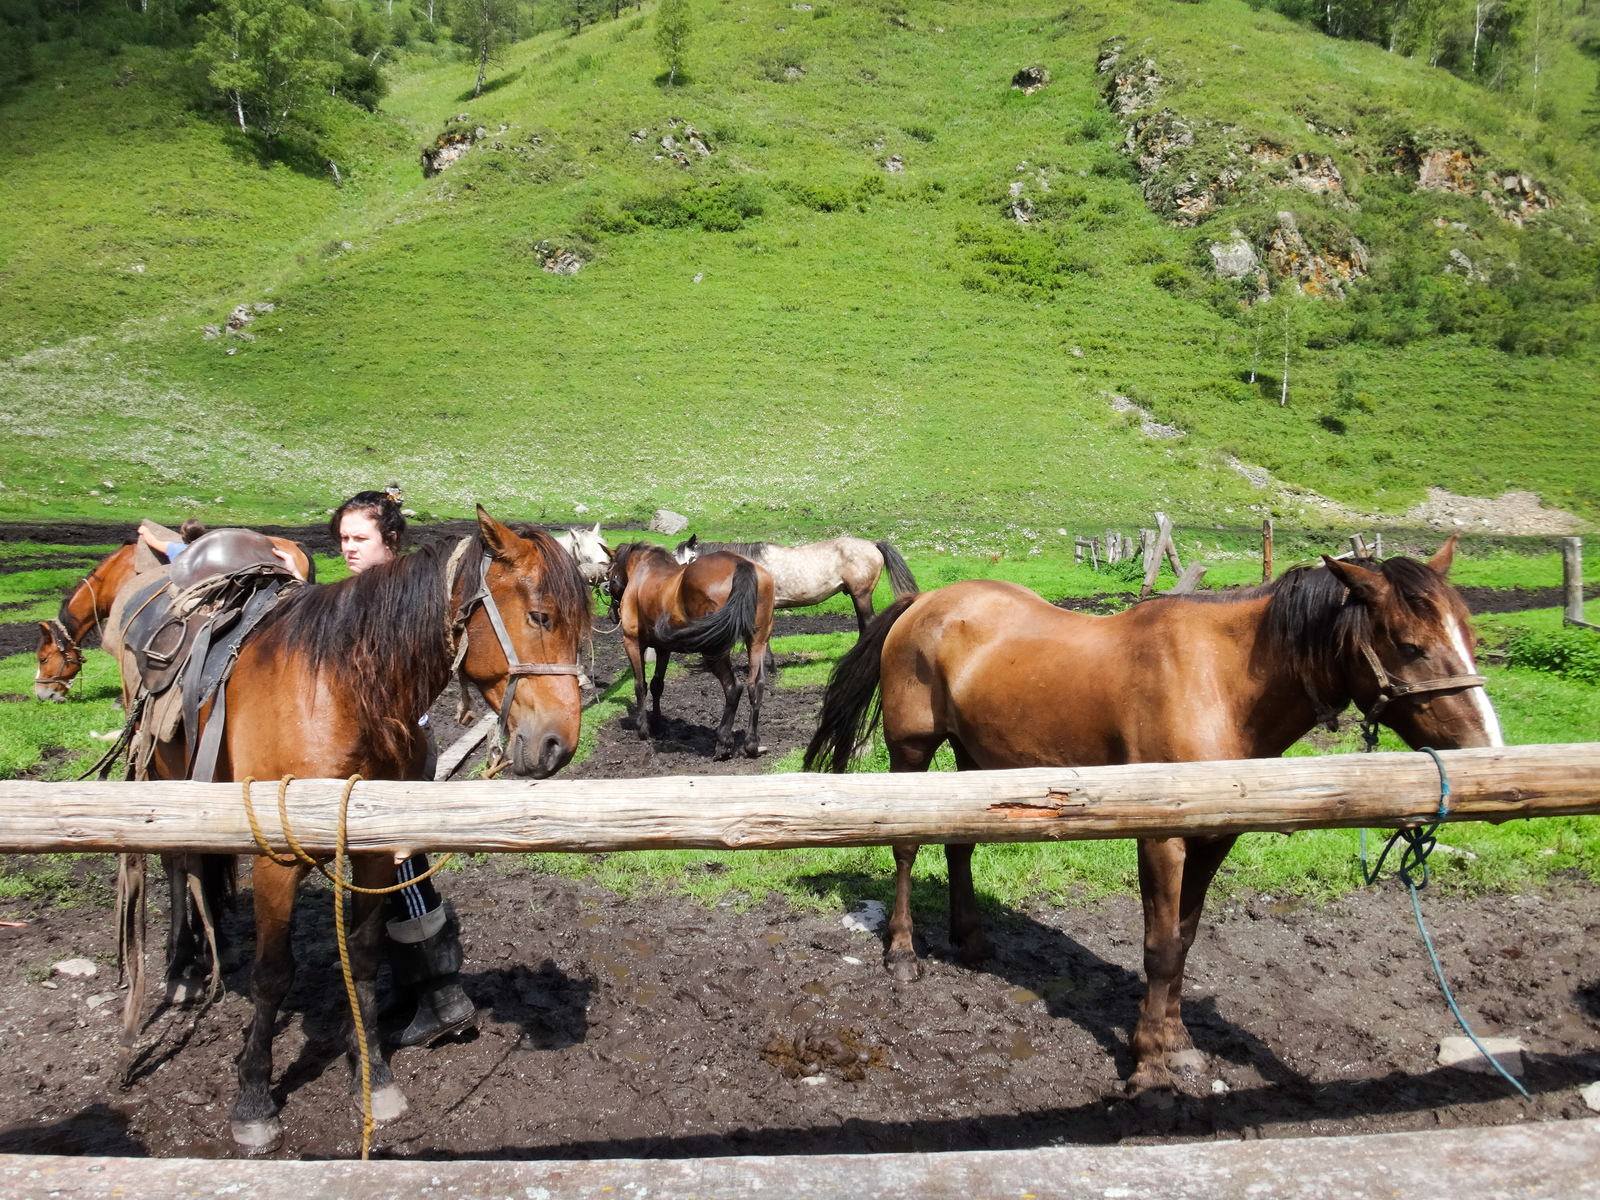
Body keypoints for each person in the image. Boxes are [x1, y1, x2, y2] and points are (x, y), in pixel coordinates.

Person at [329, 488, 478, 1047]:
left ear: (389, 539)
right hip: (371, 748)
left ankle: (445, 998)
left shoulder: (405, 597)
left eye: (359, 538)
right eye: (343, 538)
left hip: (397, 747)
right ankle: (414, 988)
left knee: (401, 866)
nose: (348, 548)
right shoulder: (361, 591)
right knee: (386, 874)